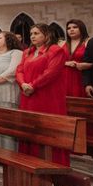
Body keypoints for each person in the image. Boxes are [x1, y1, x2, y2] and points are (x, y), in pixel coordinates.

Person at [16, 23, 68, 165]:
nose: (32, 36)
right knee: (30, 128)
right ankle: (29, 160)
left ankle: (53, 164)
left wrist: (33, 85)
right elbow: (19, 70)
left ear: (47, 35)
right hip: (28, 96)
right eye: (31, 33)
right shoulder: (27, 52)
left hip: (47, 97)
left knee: (47, 130)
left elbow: (51, 72)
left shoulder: (55, 50)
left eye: (37, 33)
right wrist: (23, 84)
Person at [63, 19, 90, 97]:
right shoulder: (62, 44)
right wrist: (66, 63)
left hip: (81, 77)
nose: (71, 30)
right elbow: (55, 62)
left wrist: (85, 65)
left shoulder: (88, 42)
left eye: (75, 27)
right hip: (65, 77)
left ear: (81, 28)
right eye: (69, 28)